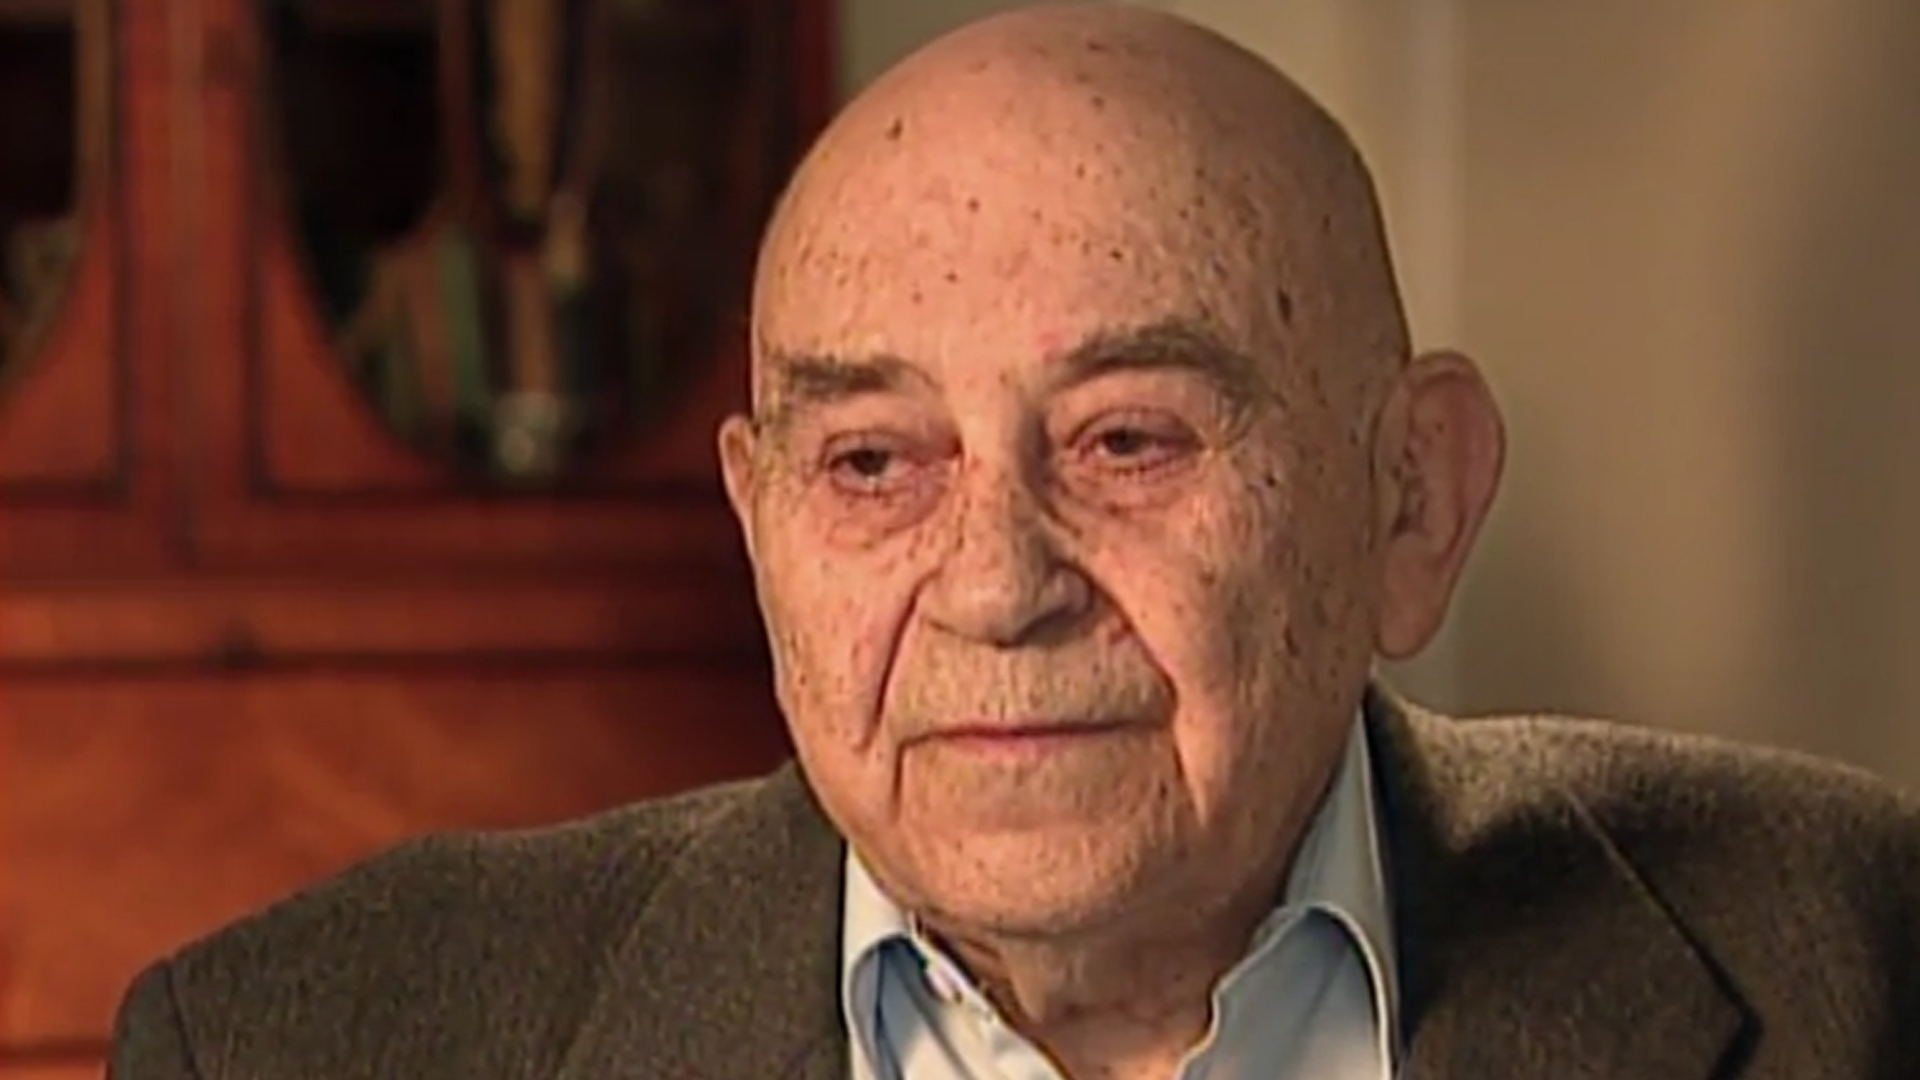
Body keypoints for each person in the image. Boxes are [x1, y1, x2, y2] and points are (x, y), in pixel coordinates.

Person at [108, 5, 1919, 1080]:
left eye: (1130, 441)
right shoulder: (304, 1044)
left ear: (1410, 501)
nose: (995, 584)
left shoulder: (1853, 954)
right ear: (760, 527)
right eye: (873, 461)